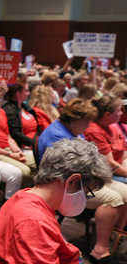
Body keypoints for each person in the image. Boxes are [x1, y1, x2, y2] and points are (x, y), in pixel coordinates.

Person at [0, 138, 112, 264]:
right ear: (72, 181)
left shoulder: (23, 196)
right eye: (86, 192)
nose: (84, 198)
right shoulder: (33, 221)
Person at [38, 98, 127, 263]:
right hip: (68, 185)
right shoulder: (56, 135)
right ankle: (100, 250)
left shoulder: (73, 130)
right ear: (73, 120)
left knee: (126, 194)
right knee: (114, 199)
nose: (88, 127)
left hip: (85, 179)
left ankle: (112, 240)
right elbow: (67, 173)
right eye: (86, 123)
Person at [0, 83, 36, 183]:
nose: (0, 94)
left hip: (8, 150)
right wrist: (9, 154)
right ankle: (11, 197)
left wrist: (17, 151)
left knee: (41, 162)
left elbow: (8, 136)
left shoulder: (1, 110)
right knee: (24, 171)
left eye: (3, 91)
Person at [85, 95, 127, 184]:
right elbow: (110, 164)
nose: (121, 113)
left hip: (120, 170)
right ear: (107, 114)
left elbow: (124, 156)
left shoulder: (113, 127)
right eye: (118, 111)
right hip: (107, 174)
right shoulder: (94, 131)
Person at [3, 82, 39, 148]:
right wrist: (35, 144)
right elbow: (15, 134)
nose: (29, 93)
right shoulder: (9, 110)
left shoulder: (26, 108)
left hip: (35, 144)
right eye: (26, 91)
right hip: (23, 147)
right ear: (18, 94)